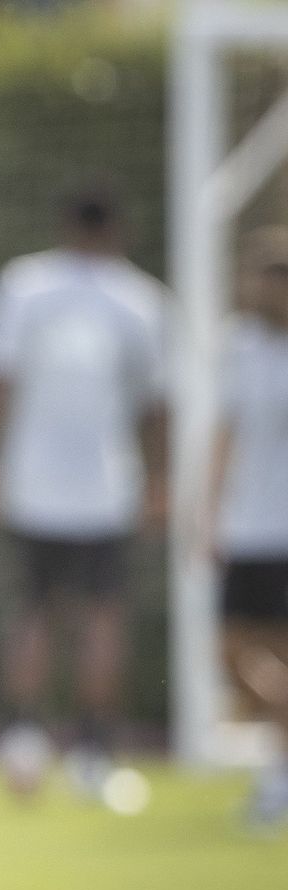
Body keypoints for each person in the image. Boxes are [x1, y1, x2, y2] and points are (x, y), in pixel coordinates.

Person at [0, 184, 167, 797]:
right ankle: (93, 750)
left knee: (33, 608)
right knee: (103, 615)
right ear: (118, 230)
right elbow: (157, 408)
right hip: (108, 484)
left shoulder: (23, 286)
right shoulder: (142, 299)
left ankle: (23, 736)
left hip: (34, 482)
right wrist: (159, 480)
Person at [210, 225, 288, 831]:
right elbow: (225, 435)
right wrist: (206, 514)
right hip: (250, 528)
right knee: (233, 658)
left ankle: (279, 778)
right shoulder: (240, 346)